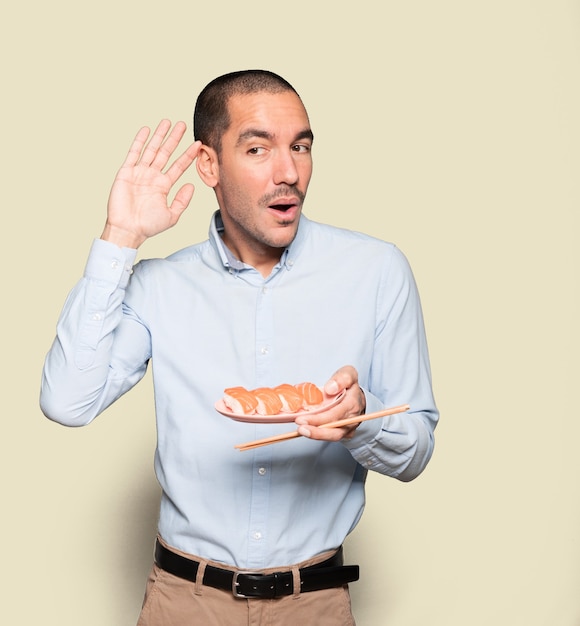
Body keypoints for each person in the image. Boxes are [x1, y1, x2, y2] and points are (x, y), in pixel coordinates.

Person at [40, 70, 439, 625]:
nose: (289, 172)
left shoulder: (376, 272)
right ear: (209, 165)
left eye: (300, 146)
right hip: (185, 601)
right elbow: (67, 401)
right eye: (258, 148)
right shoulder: (159, 285)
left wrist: (361, 419)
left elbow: (417, 448)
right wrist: (120, 237)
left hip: (316, 603)